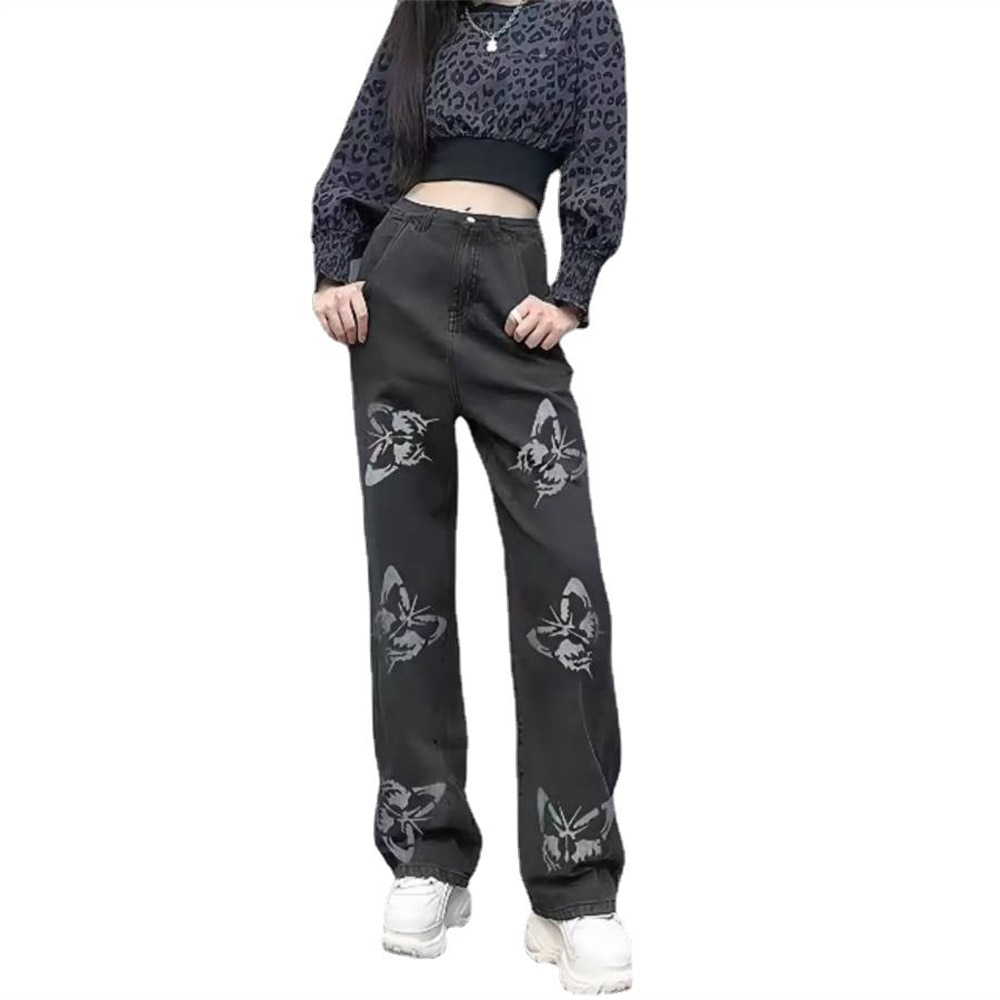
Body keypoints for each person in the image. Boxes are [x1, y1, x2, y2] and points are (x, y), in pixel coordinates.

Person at [310, 0, 630, 992]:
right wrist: (333, 268)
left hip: (511, 297)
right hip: (398, 289)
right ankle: (427, 857)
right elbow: (363, 145)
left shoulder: (580, 15)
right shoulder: (425, 13)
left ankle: (573, 888)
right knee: (406, 586)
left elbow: (603, 155)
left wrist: (573, 289)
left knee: (564, 580)